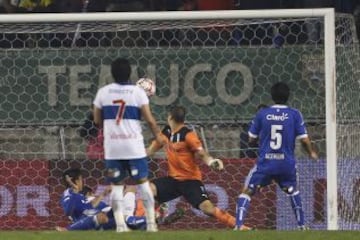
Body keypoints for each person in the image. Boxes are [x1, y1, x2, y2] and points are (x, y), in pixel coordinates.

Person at [92, 57, 164, 232]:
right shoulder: (137, 92)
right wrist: (159, 136)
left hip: (113, 149)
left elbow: (96, 120)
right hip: (134, 147)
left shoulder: (103, 92)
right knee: (143, 183)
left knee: (117, 186)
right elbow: (149, 119)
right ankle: (151, 225)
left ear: (112, 73)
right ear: (129, 74)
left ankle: (120, 226)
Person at [234, 82, 318, 230]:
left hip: (266, 162)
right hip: (286, 163)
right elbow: (304, 139)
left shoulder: (262, 114)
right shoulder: (294, 114)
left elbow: (251, 138)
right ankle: (302, 226)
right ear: (288, 96)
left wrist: (262, 135)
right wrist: (311, 152)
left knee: (248, 191)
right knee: (292, 190)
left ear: (271, 96)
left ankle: (238, 225)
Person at [146, 105, 237, 228]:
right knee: (148, 189)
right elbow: (151, 150)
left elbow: (201, 153)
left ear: (170, 117)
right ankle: (159, 216)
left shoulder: (188, 135)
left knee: (207, 208)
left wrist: (212, 162)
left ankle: (238, 225)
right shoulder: (166, 133)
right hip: (173, 180)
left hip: (191, 181)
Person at [57, 168, 153, 231]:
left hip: (104, 214)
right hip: (92, 221)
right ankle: (140, 221)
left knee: (130, 190)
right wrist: (75, 193)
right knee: (105, 217)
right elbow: (68, 211)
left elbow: (91, 205)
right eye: (81, 179)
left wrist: (103, 194)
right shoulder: (68, 194)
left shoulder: (80, 195)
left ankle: (134, 222)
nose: (82, 182)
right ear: (77, 180)